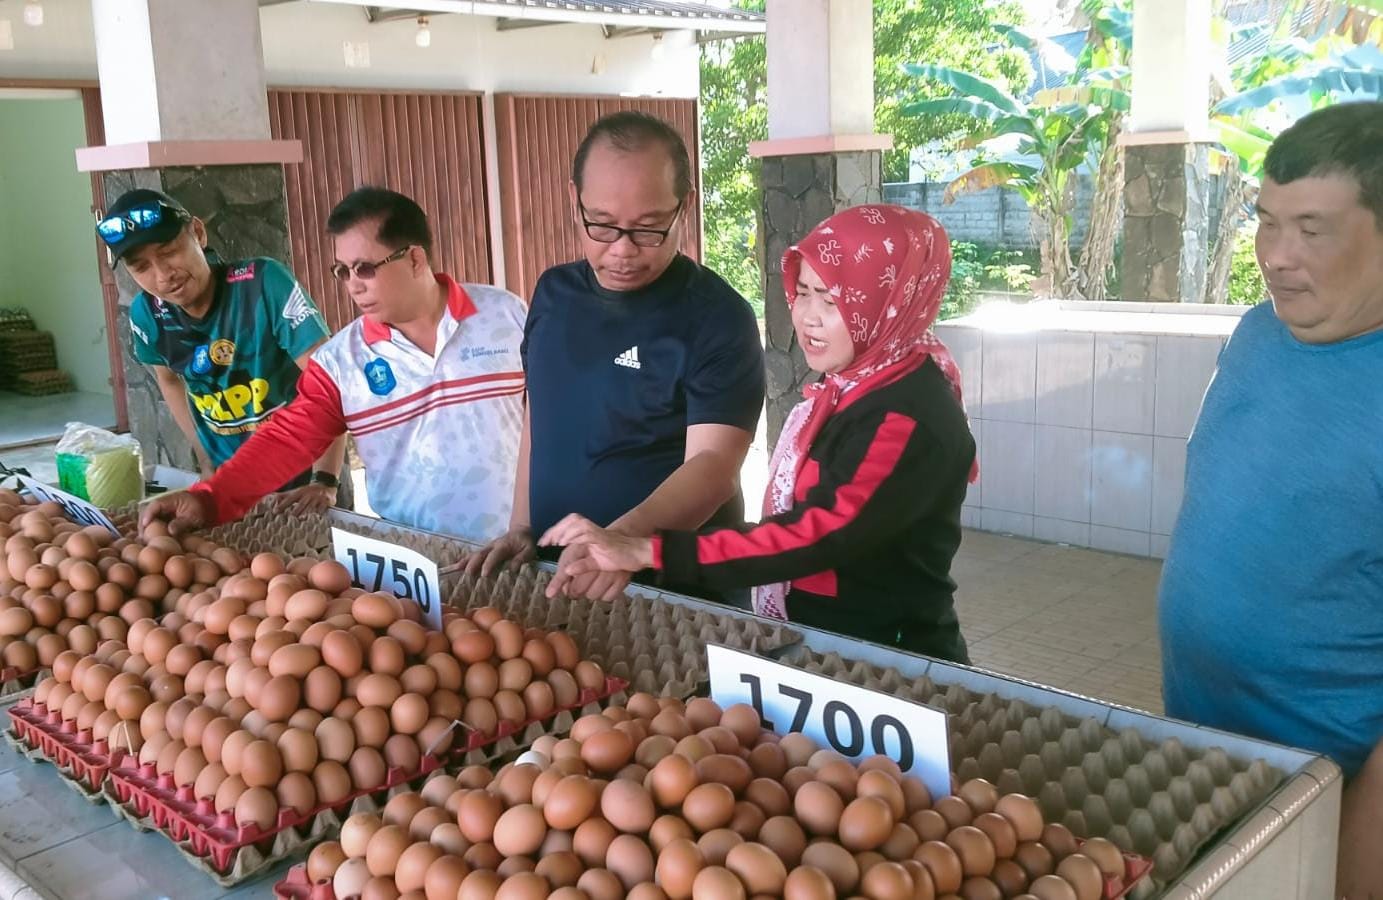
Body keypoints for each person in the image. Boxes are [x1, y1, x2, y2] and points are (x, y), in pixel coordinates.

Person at [539, 205, 977, 662]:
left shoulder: (906, 418)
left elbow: (812, 535)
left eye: (832, 302)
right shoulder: (854, 385)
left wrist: (646, 549)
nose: (807, 318)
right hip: (826, 648)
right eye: (803, 293)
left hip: (892, 663)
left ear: (890, 301)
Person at [1157, 101, 1383, 899]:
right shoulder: (1257, 331)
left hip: (1328, 796)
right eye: (1265, 222)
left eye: (1311, 230)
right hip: (1203, 757)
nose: (1275, 257)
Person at [465, 111, 765, 603]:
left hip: (679, 593)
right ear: (573, 201)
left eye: (649, 228)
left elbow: (713, 466)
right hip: (559, 573)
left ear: (684, 208)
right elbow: (537, 411)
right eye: (601, 225)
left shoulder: (717, 316)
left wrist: (622, 541)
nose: (623, 250)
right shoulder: (552, 294)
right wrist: (521, 526)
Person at [141, 187, 526, 542]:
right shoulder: (341, 363)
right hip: (416, 558)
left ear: (414, 258)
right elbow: (285, 440)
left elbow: (557, 418)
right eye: (342, 271)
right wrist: (209, 499)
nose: (352, 285)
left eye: (365, 268)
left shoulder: (506, 316)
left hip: (524, 547)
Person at [99, 188, 346, 512]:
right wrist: (205, 456)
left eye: (169, 251)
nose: (163, 276)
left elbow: (329, 383)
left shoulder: (262, 285)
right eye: (141, 267)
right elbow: (169, 381)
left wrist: (325, 479)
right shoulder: (148, 315)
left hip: (303, 480)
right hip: (230, 485)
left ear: (198, 233)